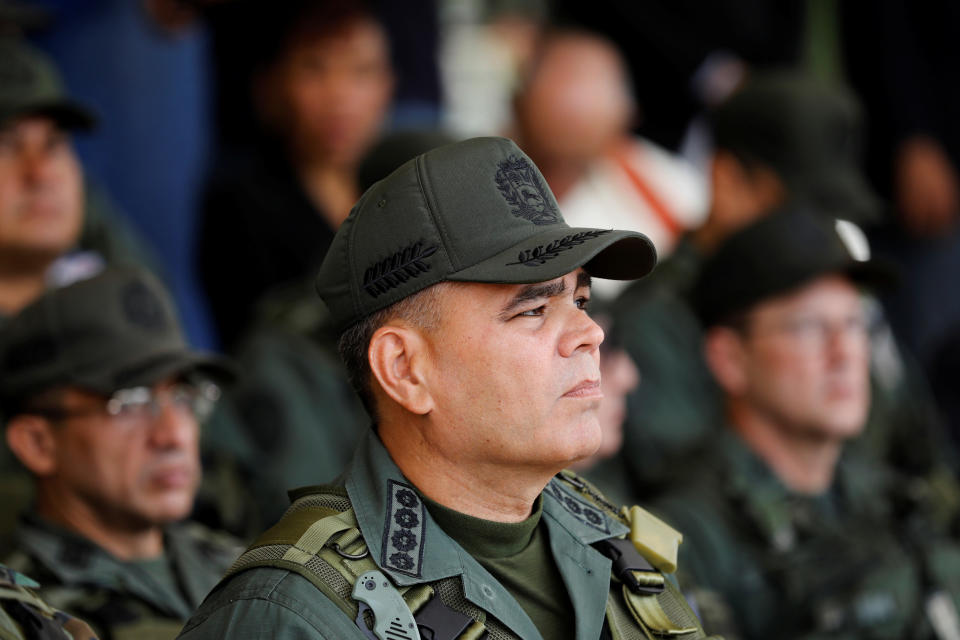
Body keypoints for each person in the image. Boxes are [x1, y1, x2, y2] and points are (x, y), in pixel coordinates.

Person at [178, 137, 721, 639]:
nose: (590, 333)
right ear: (405, 370)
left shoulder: (610, 540)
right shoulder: (292, 615)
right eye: (533, 309)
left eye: (578, 301)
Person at [606, 71, 954, 504]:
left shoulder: (837, 294)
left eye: (836, 213)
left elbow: (915, 441)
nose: (825, 234)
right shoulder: (653, 323)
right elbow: (687, 505)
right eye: (799, 211)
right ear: (729, 182)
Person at [654, 207, 960, 639]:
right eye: (809, 327)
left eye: (855, 324)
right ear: (730, 358)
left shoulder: (889, 494)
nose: (845, 353)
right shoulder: (686, 540)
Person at [0, 267, 241, 639]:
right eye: (130, 403)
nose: (173, 434)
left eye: (183, 396)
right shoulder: (24, 617)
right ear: (37, 443)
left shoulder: (246, 566)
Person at [198, 0, 395, 349]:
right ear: (271, 86)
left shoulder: (399, 193)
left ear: (387, 87)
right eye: (314, 69)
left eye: (361, 71)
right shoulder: (240, 205)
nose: (339, 95)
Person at [511, 27, 707, 297]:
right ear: (518, 104)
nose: (573, 105)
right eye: (564, 80)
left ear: (628, 114)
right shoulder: (470, 177)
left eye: (590, 86)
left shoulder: (671, 188)